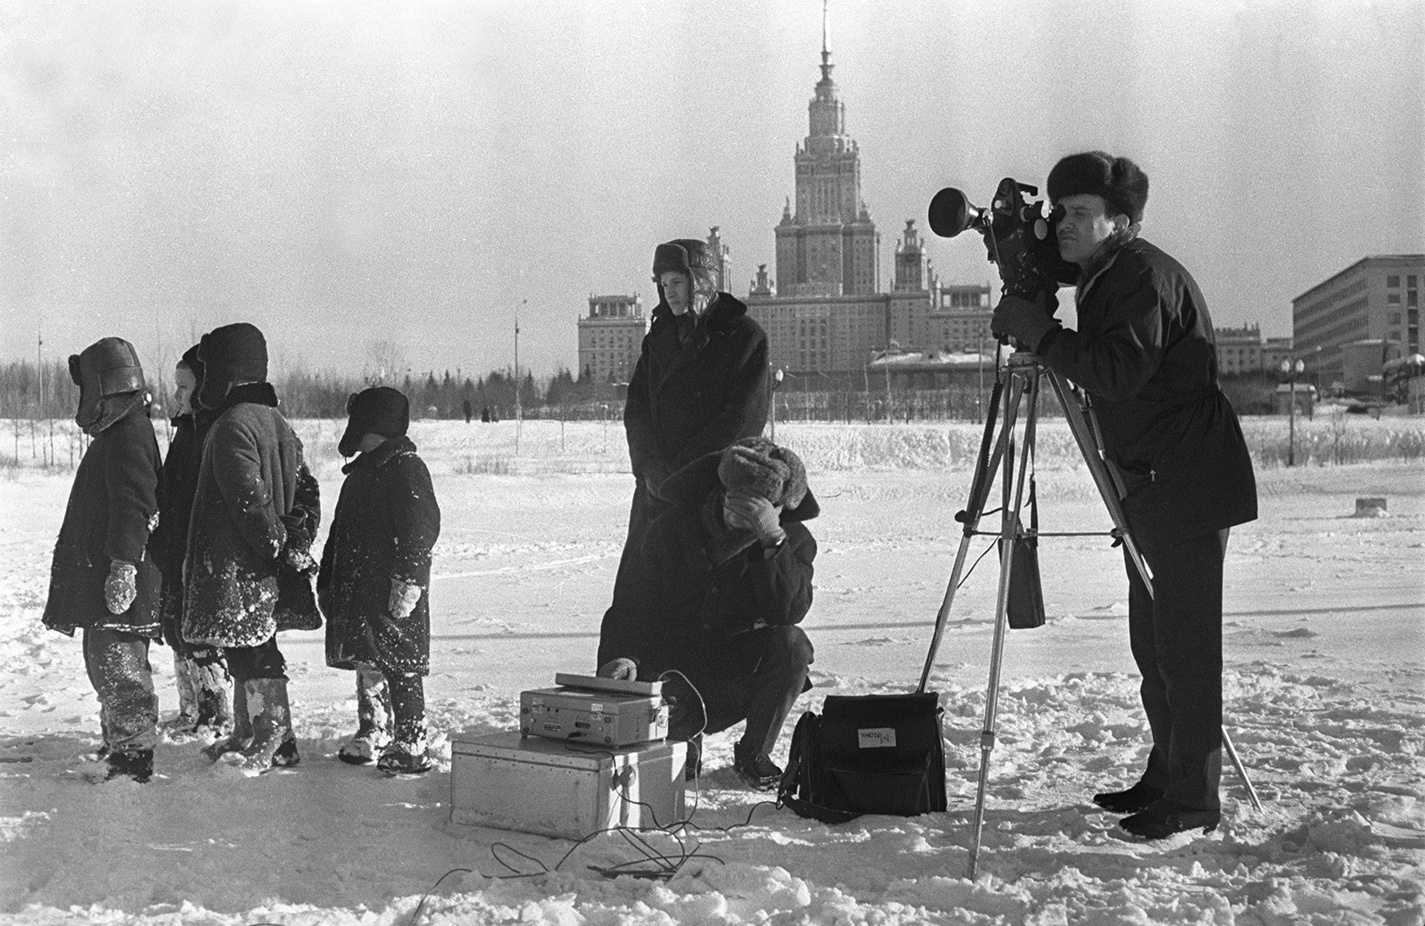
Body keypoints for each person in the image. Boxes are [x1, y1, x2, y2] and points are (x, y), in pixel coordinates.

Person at [991, 151, 1258, 840]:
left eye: (1079, 214)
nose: (1062, 226)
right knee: (1154, 644)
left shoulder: (1139, 277)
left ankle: (1195, 798)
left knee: (1185, 648)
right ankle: (1167, 773)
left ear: (1120, 222)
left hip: (1187, 483)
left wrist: (1040, 332)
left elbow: (1116, 373)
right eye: (1058, 213)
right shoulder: (1108, 275)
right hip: (1151, 483)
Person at [597, 436, 817, 790]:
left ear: (779, 510)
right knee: (679, 769)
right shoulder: (672, 527)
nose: (741, 515)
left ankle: (754, 752)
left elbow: (788, 611)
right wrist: (622, 655)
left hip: (732, 672)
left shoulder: (793, 541)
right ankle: (684, 740)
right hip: (672, 670)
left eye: (758, 508)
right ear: (722, 490)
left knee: (793, 645)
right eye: (736, 501)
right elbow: (633, 603)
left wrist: (771, 542)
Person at [182, 322, 318, 773]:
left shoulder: (231, 425)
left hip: (240, 569)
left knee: (256, 653)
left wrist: (276, 545)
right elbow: (306, 490)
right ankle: (248, 732)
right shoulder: (276, 421)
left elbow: (249, 499)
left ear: (227, 371)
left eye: (210, 368)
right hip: (260, 568)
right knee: (246, 648)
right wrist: (293, 541)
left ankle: (275, 738)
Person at [612, 237, 771, 607]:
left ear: (700, 280)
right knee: (638, 596)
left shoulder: (744, 338)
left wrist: (682, 472)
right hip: (656, 489)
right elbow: (636, 411)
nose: (669, 293)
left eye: (677, 283)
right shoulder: (658, 340)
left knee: (706, 601)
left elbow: (742, 420)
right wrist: (649, 467)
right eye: (663, 285)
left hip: (711, 490)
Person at [42, 337, 163, 782]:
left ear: (102, 387)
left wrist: (123, 566)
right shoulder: (120, 431)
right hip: (106, 573)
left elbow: (136, 504)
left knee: (122, 665)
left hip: (121, 574)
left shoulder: (130, 433)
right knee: (105, 662)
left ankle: (134, 757)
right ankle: (120, 741)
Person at [319, 387, 441, 775]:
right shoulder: (361, 474)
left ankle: (411, 738)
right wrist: (328, 578)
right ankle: (374, 728)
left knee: (400, 662)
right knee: (367, 661)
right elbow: (338, 534)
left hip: (392, 591)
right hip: (359, 590)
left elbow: (419, 530)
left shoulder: (406, 468)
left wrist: (409, 579)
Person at [149, 344, 232, 738]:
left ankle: (215, 713)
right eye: (176, 387)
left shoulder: (212, 432)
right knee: (177, 632)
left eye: (185, 387)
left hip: (197, 555)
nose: (177, 395)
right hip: (175, 550)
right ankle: (191, 708)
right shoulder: (186, 431)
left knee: (202, 640)